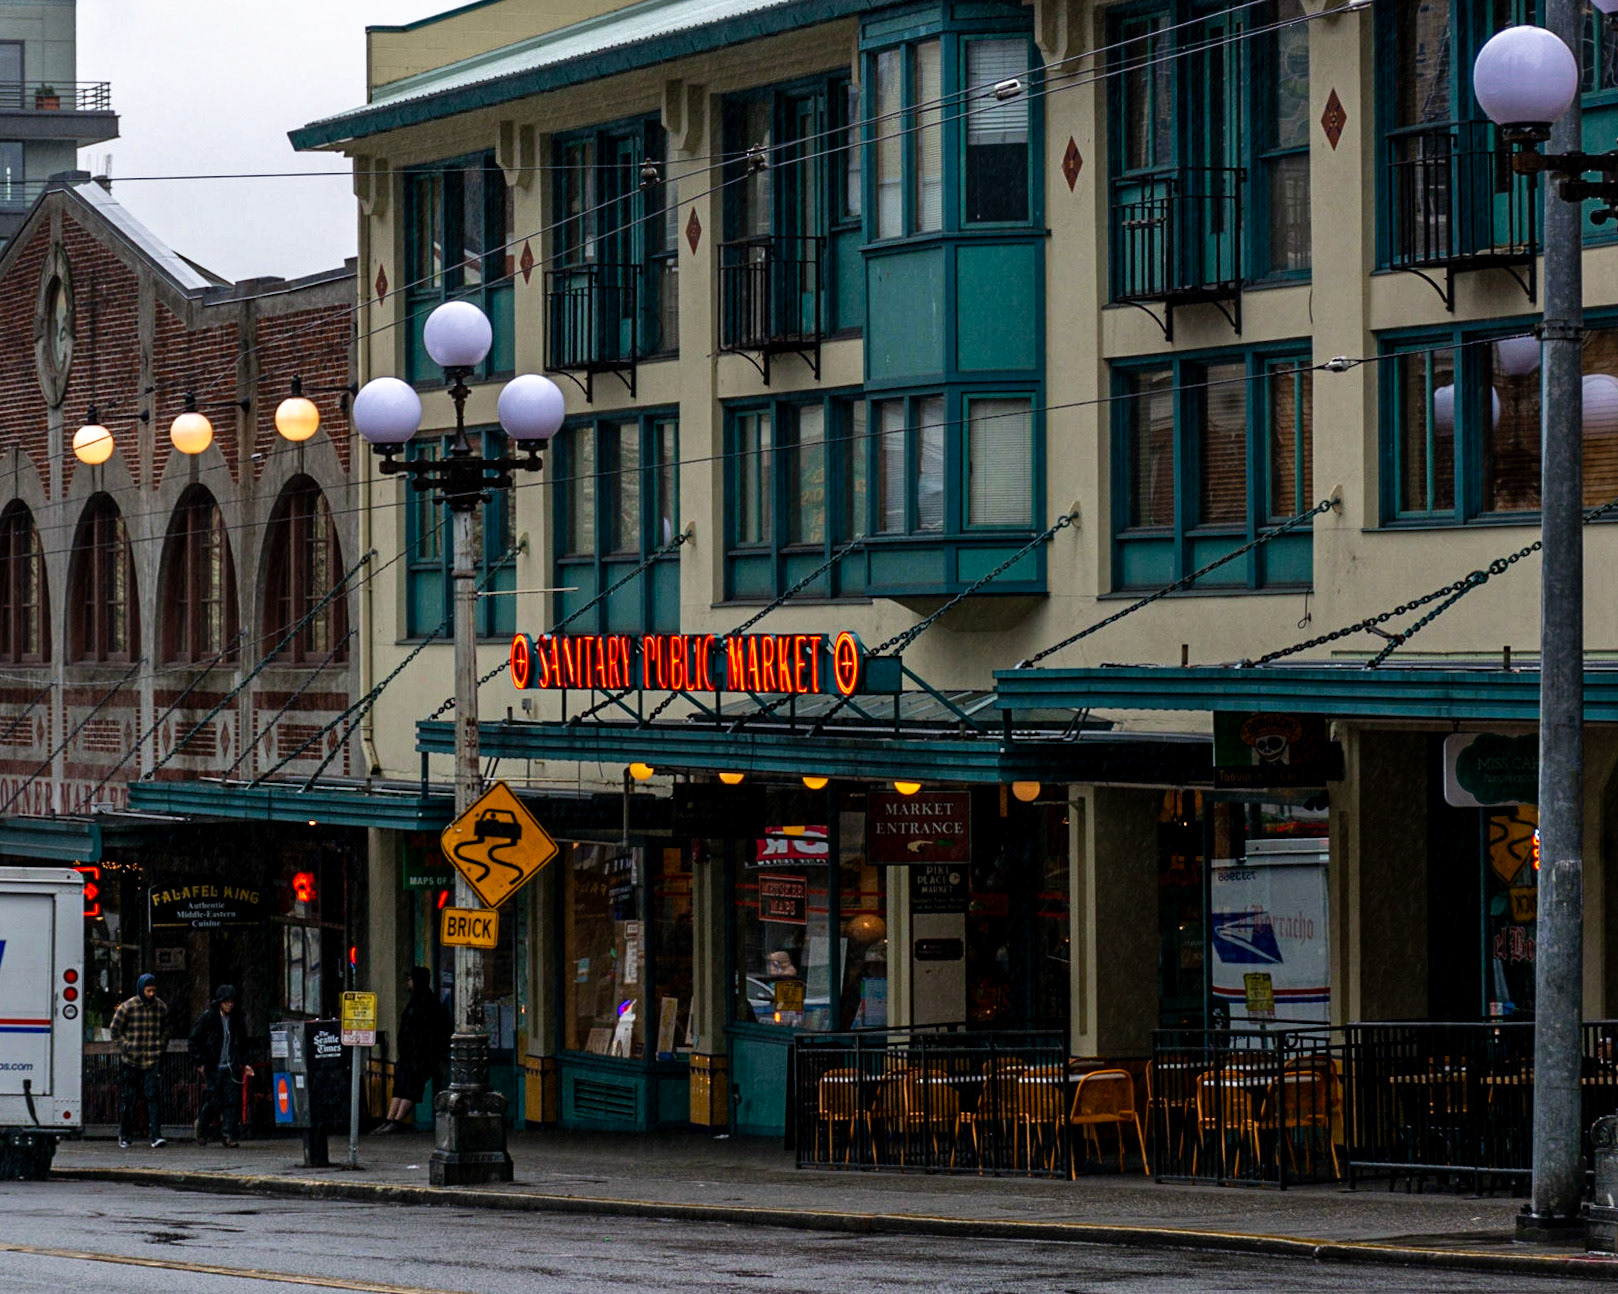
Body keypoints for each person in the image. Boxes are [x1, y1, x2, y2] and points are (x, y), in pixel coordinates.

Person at [374, 967, 450, 1133]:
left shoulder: (426, 1003)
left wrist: (424, 1050)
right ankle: (390, 1119)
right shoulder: (417, 1001)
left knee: (410, 1087)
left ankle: (396, 1121)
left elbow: (432, 1031)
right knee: (401, 1086)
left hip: (419, 1055)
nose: (408, 983)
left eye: (410, 980)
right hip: (409, 1054)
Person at [109, 973, 169, 1149]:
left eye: (153, 990)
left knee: (153, 1097)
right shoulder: (128, 1007)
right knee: (129, 1098)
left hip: (151, 1059)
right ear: (141, 989)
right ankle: (125, 1135)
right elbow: (115, 1030)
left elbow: (166, 1028)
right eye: (148, 990)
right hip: (132, 1060)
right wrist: (127, 1046)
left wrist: (161, 1045)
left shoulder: (160, 1007)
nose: (151, 994)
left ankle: (156, 1135)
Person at [188, 984, 244, 1147]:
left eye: (232, 1001)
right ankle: (202, 1126)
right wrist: (199, 1061)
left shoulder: (236, 1019)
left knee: (231, 1100)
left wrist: (245, 1062)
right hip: (213, 1065)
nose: (230, 1005)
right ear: (219, 1002)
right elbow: (194, 1040)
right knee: (214, 1100)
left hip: (230, 1065)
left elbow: (242, 1042)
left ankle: (227, 1135)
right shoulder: (209, 1017)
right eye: (226, 1001)